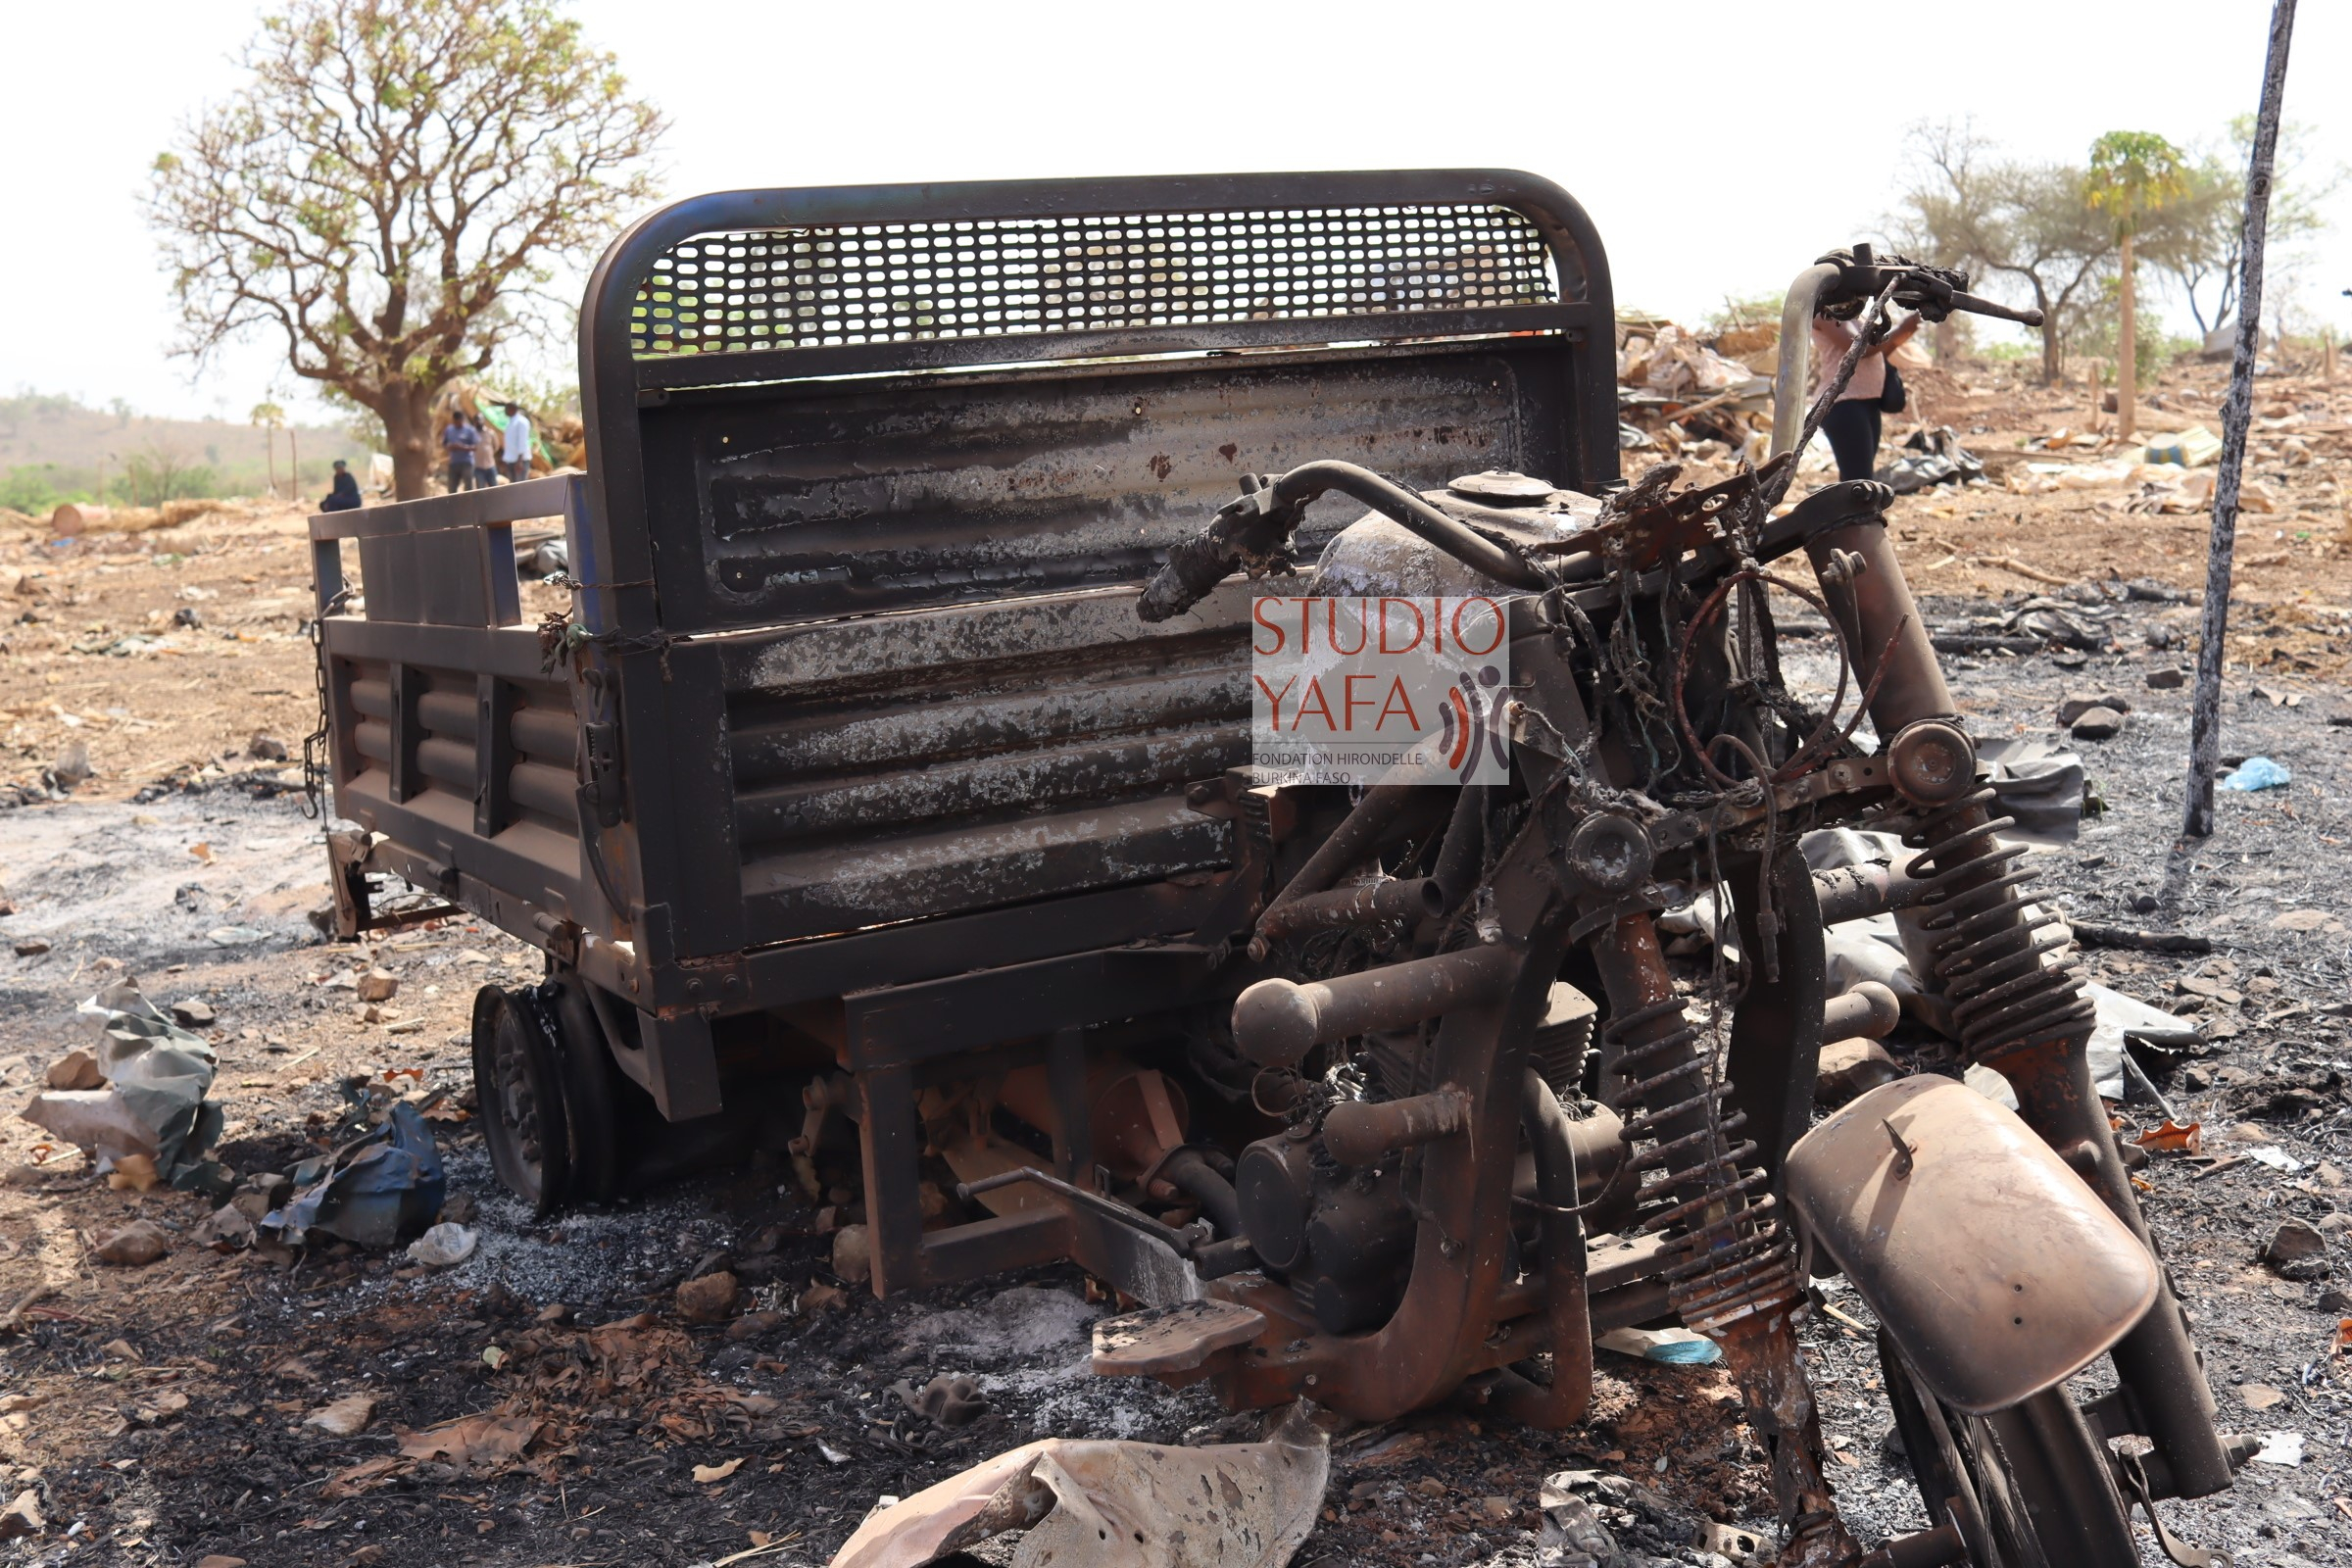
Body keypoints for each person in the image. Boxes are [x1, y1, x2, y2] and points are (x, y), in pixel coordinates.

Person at [1811, 307, 1923, 482]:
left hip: (1868, 402)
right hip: (1844, 403)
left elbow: (1877, 352)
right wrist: (1901, 328)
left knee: (1858, 477)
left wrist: (1906, 330)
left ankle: (1849, 510)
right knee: (1858, 480)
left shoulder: (1857, 314)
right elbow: (1858, 347)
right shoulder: (1828, 313)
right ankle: (1853, 510)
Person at [440, 410, 478, 492]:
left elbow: (475, 447)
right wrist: (449, 447)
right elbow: (444, 443)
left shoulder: (470, 430)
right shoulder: (449, 430)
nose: (457, 423)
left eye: (459, 421)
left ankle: (469, 503)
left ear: (462, 420)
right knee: (451, 488)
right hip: (454, 462)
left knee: (468, 486)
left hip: (467, 462)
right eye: (455, 422)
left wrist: (462, 447)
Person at [499, 402, 534, 483]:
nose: (505, 411)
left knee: (520, 486)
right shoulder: (510, 422)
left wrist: (519, 461)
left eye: (506, 408)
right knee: (513, 486)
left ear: (512, 409)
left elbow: (523, 441)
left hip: (519, 460)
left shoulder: (521, 422)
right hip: (511, 459)